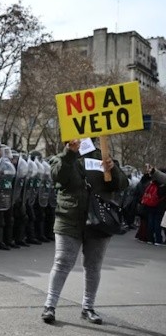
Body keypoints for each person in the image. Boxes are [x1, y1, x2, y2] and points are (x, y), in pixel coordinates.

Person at [41, 139, 128, 325]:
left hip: (99, 222)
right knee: (62, 262)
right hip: (69, 219)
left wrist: (112, 169)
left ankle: (88, 307)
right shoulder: (62, 158)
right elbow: (58, 176)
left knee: (93, 266)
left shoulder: (103, 158)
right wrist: (70, 153)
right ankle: (50, 306)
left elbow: (121, 184)